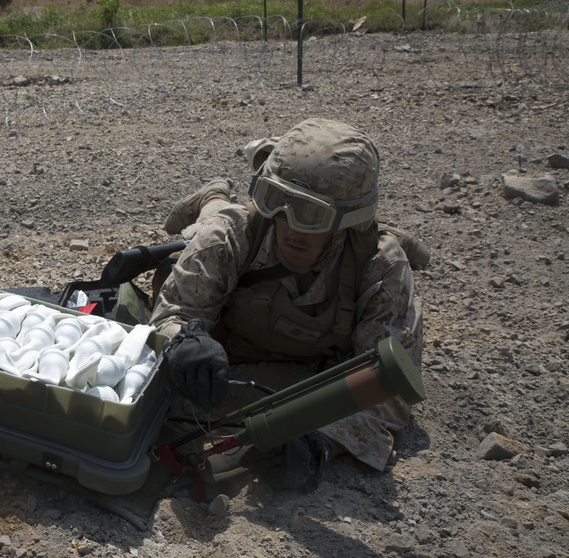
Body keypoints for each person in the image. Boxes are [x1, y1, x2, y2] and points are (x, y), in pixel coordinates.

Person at [152, 118, 424, 489]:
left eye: (312, 215)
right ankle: (212, 198)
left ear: (349, 220)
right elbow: (172, 312)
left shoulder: (381, 268)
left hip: (320, 361)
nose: (292, 228)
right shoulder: (233, 234)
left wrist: (323, 444)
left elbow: (388, 386)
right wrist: (184, 341)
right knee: (208, 228)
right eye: (279, 203)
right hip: (222, 241)